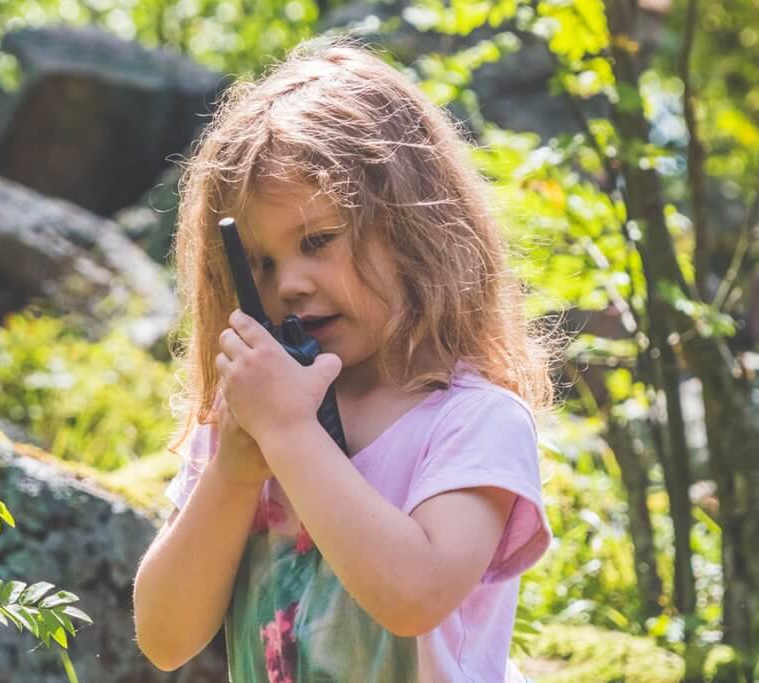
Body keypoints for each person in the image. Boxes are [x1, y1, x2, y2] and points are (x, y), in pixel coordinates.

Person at [133, 34, 558, 682]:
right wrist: (236, 469)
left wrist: (290, 433)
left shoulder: (471, 423)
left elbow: (413, 596)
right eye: (260, 263)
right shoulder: (249, 423)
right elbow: (165, 636)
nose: (289, 284)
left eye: (318, 240)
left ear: (415, 230)